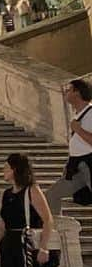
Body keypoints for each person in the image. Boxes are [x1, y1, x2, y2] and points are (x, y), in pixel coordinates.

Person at [45, 78, 92, 217]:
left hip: (89, 165)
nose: (65, 92)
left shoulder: (90, 114)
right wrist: (69, 163)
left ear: (77, 92)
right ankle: (57, 234)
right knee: (52, 195)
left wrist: (78, 130)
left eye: (69, 90)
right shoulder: (79, 115)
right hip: (77, 166)